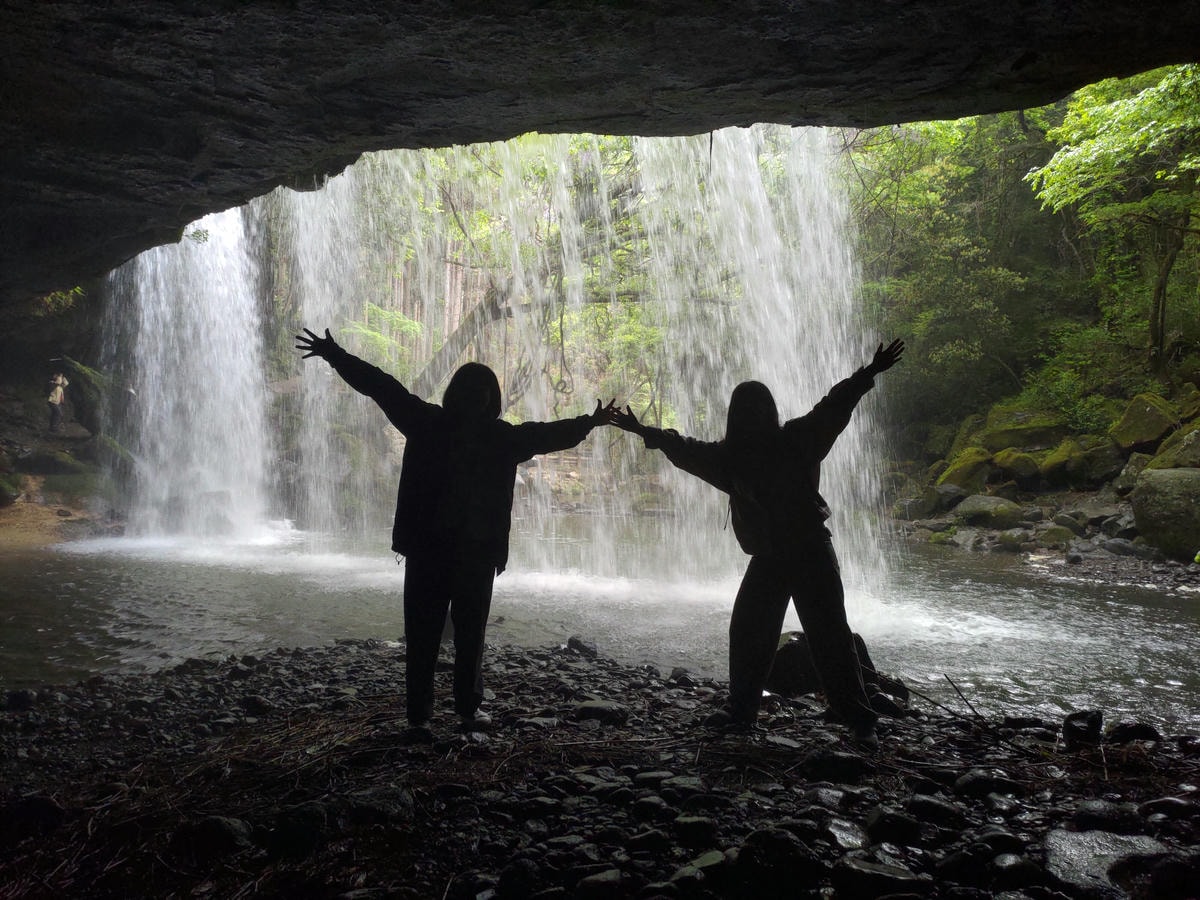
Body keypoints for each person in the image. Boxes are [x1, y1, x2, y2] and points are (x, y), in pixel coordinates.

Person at [296, 327, 617, 733]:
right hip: (443, 551)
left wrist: (589, 422)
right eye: (472, 388)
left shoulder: (461, 429)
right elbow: (381, 386)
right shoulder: (442, 424)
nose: (477, 396)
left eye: (483, 389)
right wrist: (335, 354)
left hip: (465, 553)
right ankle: (434, 713)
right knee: (433, 636)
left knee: (459, 636)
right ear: (461, 394)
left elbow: (548, 434)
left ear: (491, 398)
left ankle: (448, 710)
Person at [613, 339, 904, 748]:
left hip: (808, 551)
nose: (751, 417)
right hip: (773, 555)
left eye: (755, 409)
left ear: (765, 413)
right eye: (745, 411)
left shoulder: (795, 440)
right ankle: (744, 713)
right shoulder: (734, 456)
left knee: (830, 635)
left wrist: (868, 373)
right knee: (752, 629)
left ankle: (859, 720)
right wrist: (644, 430)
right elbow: (683, 447)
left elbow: (834, 406)